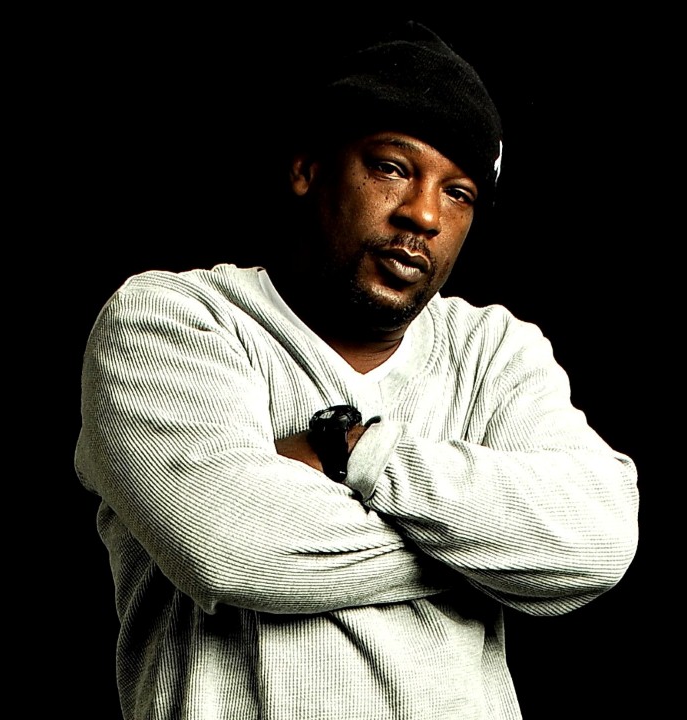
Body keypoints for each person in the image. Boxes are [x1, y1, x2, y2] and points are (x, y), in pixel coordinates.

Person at [74, 20, 640, 719]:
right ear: (307, 168)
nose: (424, 215)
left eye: (458, 193)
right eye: (392, 168)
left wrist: (355, 452)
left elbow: (599, 541)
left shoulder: (493, 350)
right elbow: (227, 550)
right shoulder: (174, 320)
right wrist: (491, 551)